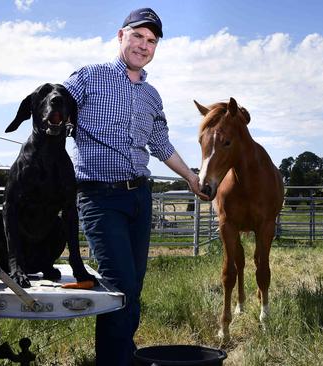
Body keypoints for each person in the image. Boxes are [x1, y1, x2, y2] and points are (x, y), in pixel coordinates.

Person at [63, 7, 207, 365]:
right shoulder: (89, 78)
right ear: (120, 36)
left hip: (140, 197)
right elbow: (55, 104)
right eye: (138, 36)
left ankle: (122, 354)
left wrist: (191, 177)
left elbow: (160, 145)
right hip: (99, 197)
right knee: (118, 284)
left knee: (135, 285)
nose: (144, 45)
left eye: (152, 40)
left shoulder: (152, 96)